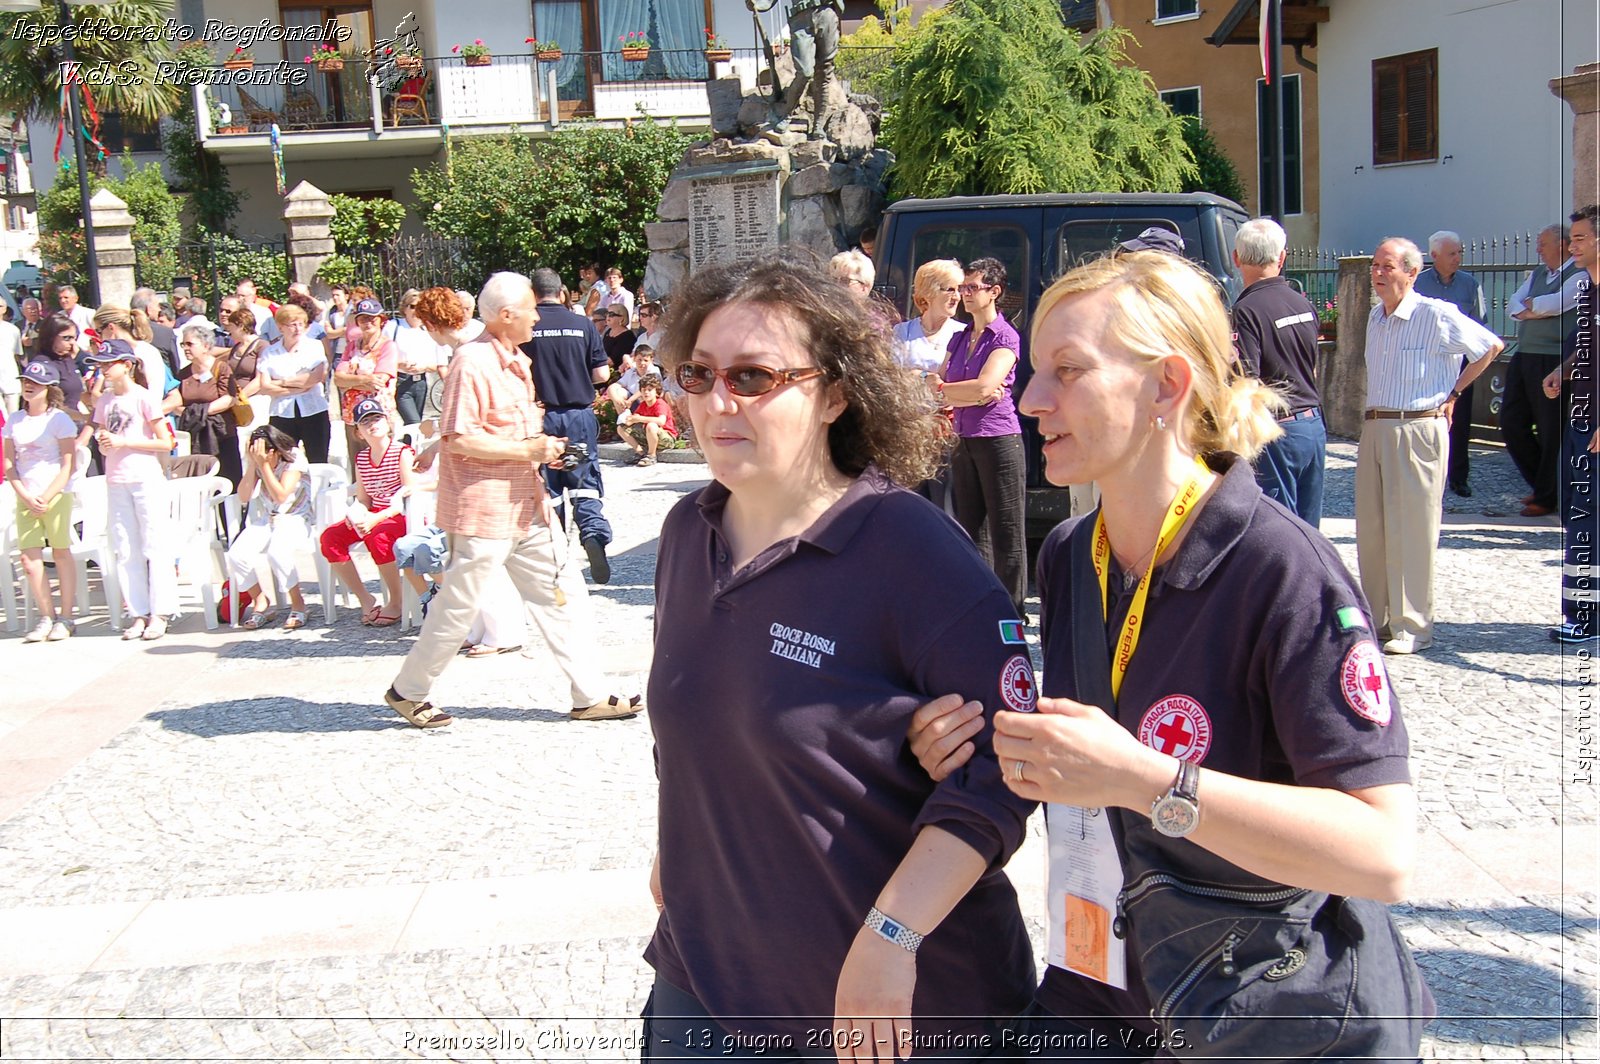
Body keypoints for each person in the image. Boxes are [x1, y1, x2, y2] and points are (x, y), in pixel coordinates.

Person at [908, 250, 1431, 1060]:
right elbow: (1087, 772)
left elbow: (1384, 854)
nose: (1032, 397)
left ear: (1167, 385)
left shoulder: (1281, 567)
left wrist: (1146, 780)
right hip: (1104, 1000)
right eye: (1036, 369)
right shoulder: (1075, 556)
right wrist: (969, 747)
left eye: (1068, 371)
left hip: (1266, 1018)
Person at [641, 249, 1035, 1059]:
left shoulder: (913, 550)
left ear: (837, 393)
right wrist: (678, 850)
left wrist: (892, 936)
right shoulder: (687, 534)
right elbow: (701, 724)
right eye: (698, 374)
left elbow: (1004, 766)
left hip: (893, 1008)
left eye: (753, 378)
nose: (719, 401)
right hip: (704, 987)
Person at [382, 276, 642, 728]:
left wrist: (545, 448)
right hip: (484, 512)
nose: (537, 317)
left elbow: (510, 433)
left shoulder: (517, 362)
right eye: (530, 310)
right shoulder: (473, 362)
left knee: (565, 598)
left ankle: (590, 695)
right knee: (458, 606)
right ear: (506, 316)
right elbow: (459, 438)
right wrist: (529, 451)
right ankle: (409, 691)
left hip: (529, 507)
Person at [1358, 238, 1502, 655]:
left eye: (1387, 266)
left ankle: (1413, 626)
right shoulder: (1375, 317)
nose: (1378, 273)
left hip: (1418, 427)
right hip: (1377, 426)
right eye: (1375, 266)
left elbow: (1490, 346)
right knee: (1373, 528)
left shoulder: (1436, 314)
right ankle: (1379, 618)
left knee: (1413, 530)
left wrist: (1453, 393)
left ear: (1411, 272)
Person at [937, 256, 1027, 614]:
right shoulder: (960, 338)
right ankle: (982, 606)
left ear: (994, 292)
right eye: (962, 288)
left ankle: (1014, 610)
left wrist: (961, 390)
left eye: (973, 287)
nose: (965, 294)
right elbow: (938, 384)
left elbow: (985, 386)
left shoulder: (1004, 336)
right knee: (972, 528)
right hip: (964, 436)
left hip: (998, 437)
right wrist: (964, 391)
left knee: (1006, 528)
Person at [1230, 217, 1326, 526]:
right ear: (1282, 257)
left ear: (1236, 258)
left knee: (1278, 528)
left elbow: (1248, 381)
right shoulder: (1302, 303)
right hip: (1313, 425)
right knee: (1309, 530)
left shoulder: (1246, 311)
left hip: (1276, 431)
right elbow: (1312, 364)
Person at [523, 266, 614, 585]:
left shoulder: (527, 328)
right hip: (577, 419)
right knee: (581, 479)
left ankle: (557, 555)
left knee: (550, 484)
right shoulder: (582, 325)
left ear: (533, 295)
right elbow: (602, 375)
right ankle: (592, 534)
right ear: (561, 292)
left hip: (543, 418)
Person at [86, 339, 177, 641]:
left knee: (154, 544)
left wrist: (125, 442)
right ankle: (137, 611)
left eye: (108, 364)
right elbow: (102, 432)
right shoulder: (104, 401)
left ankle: (160, 611)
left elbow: (166, 442)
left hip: (144, 477)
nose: (103, 370)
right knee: (126, 548)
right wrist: (105, 439)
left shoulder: (143, 398)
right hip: (116, 479)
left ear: (126, 365)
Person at [1542, 204, 1600, 643]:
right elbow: (1583, 349)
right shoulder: (1587, 292)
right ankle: (1579, 611)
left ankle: (1586, 617)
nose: (1572, 245)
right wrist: (1563, 370)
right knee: (1577, 517)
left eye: (1579, 238)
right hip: (1580, 423)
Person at [320, 396, 427, 628]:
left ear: (388, 422)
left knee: (377, 536)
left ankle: (396, 600)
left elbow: (407, 495)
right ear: (358, 431)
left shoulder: (402, 452)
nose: (372, 424)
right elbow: (363, 498)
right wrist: (355, 513)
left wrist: (376, 518)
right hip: (375, 512)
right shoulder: (361, 459)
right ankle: (365, 599)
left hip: (402, 515)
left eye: (377, 418)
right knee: (331, 538)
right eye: (365, 421)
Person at [1504, 223, 1584, 517]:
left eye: (1544, 243)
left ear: (1562, 245)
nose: (1539, 249)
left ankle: (1547, 494)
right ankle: (1544, 484)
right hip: (1524, 355)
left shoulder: (1579, 274)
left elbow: (1556, 303)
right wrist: (1530, 308)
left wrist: (1532, 308)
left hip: (1552, 359)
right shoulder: (1538, 274)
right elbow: (1512, 305)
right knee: (1511, 421)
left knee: (1551, 429)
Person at [3, 358, 78, 641]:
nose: (29, 387)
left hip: (55, 494)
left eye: (36, 383)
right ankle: (46, 615)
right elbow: (10, 462)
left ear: (49, 388)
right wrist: (25, 495)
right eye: (26, 382)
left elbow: (68, 463)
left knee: (61, 552)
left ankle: (67, 616)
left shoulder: (58, 419)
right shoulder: (14, 420)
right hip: (26, 495)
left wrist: (47, 496)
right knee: (29, 558)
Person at [1414, 230, 1488, 498]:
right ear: (1434, 256)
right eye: (1452, 253)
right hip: (1427, 364)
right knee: (1423, 422)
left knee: (1460, 423)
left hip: (1459, 366)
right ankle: (1427, 475)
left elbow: (1480, 323)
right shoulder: (1418, 285)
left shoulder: (1470, 284)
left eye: (1459, 253)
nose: (1458, 258)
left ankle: (1459, 477)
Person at [226, 424, 312, 630]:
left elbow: (281, 495)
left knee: (277, 552)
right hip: (268, 518)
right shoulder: (257, 461)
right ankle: (260, 600)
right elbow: (244, 497)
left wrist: (264, 467)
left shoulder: (294, 457)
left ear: (273, 450)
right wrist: (251, 465)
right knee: (236, 554)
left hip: (295, 517)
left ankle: (298, 602)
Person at [255, 304, 331, 464]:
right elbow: (265, 386)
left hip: (313, 411)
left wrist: (281, 382)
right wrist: (299, 386)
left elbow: (315, 378)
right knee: (284, 461)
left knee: (317, 459)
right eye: (292, 324)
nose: (297, 329)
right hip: (282, 413)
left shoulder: (314, 347)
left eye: (301, 324)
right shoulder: (270, 352)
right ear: (281, 327)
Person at [167, 324, 240, 487]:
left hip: (221, 433)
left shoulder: (221, 368)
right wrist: (192, 414)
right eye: (183, 344)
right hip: (195, 435)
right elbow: (176, 403)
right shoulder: (183, 374)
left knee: (229, 479)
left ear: (206, 346)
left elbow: (228, 398)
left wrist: (200, 412)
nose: (185, 348)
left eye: (190, 344)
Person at [388, 290, 448, 425]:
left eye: (420, 307)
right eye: (413, 306)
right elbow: (381, 355)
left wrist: (424, 366)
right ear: (405, 308)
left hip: (421, 382)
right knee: (413, 422)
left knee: (416, 424)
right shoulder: (394, 326)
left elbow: (439, 363)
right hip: (401, 381)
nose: (416, 311)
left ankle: (408, 446)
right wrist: (400, 364)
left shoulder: (429, 330)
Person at [617, 373, 675, 465]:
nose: (646, 392)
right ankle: (640, 452)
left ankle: (652, 455)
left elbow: (661, 421)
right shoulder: (643, 405)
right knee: (621, 428)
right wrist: (630, 419)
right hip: (649, 435)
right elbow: (635, 418)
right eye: (643, 390)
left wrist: (640, 418)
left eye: (649, 390)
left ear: (656, 392)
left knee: (651, 425)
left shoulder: (660, 404)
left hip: (667, 438)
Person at [57, 285, 95, 350]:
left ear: (76, 298)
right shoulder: (58, 316)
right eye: (60, 298)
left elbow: (97, 334)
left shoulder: (88, 313)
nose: (63, 301)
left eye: (66, 297)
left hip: (85, 352)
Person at [0, 304, 19, 413]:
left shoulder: (13, 330)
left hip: (10, 380)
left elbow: (18, 355)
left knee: (13, 418)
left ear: (5, 309)